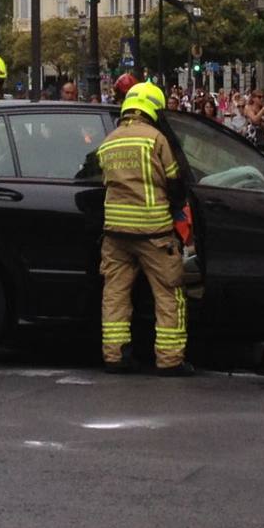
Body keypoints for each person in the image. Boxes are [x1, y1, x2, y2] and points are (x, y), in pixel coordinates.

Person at [96, 82, 193, 377]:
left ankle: (115, 356)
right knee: (169, 294)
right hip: (154, 232)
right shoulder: (156, 139)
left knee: (115, 294)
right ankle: (170, 360)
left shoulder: (109, 141)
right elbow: (175, 182)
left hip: (115, 234)